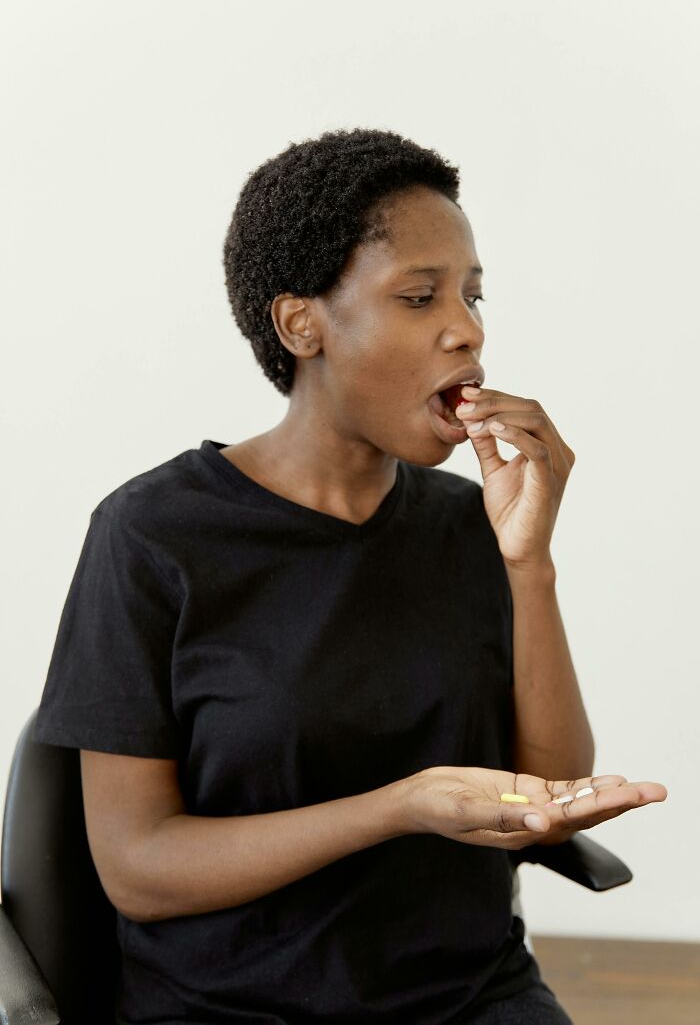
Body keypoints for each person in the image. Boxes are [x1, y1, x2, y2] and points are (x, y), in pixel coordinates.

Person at [33, 127, 667, 1025]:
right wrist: (395, 809)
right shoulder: (153, 536)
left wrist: (531, 563)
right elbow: (138, 871)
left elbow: (552, 791)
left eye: (473, 295)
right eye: (420, 297)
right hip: (232, 1008)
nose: (467, 330)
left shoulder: (466, 521)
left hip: (467, 996)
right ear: (302, 325)